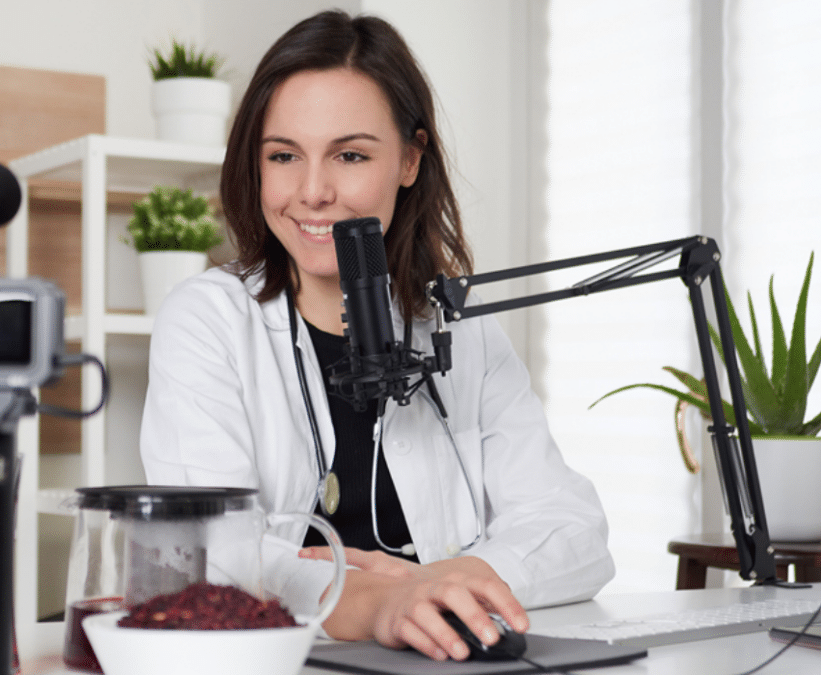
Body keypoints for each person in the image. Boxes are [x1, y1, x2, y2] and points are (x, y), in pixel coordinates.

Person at [139, 9, 614, 662]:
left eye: (351, 155)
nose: (313, 192)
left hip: (448, 652)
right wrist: (372, 603)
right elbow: (215, 555)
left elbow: (574, 530)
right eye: (283, 155)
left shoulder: (458, 323)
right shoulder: (208, 319)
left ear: (410, 159)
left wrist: (435, 585)